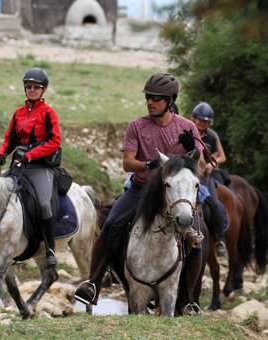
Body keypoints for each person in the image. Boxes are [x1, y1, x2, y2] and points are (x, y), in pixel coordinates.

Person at [75, 72, 206, 305]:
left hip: (174, 194)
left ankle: (187, 301)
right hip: (140, 189)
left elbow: (202, 168)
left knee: (196, 239)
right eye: (148, 97)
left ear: (170, 101)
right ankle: (93, 284)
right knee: (110, 224)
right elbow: (127, 162)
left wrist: (191, 150)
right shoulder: (137, 126)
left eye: (156, 98)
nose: (150, 102)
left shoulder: (187, 127)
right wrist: (149, 164)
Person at [0, 67, 61, 269]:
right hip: (18, 165)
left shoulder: (49, 113)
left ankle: (50, 249)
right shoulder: (18, 113)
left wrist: (31, 155)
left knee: (44, 204)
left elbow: (54, 141)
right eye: (28, 86)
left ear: (43, 90)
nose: (32, 90)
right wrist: (2, 152)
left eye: (36, 87)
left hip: (40, 167)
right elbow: (10, 139)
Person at [191, 102, 228, 256]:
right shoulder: (188, 132)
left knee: (214, 203)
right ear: (194, 118)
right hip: (189, 172)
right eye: (200, 120)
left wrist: (212, 164)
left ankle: (220, 239)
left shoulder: (212, 136)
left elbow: (222, 156)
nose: (203, 123)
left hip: (206, 175)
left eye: (206, 121)